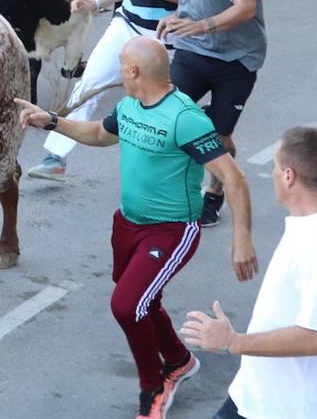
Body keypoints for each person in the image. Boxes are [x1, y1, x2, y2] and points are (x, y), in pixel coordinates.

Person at [15, 36, 258, 419]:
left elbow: (233, 177)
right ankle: (179, 359)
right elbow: (99, 134)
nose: (119, 70)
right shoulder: (130, 107)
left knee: (128, 305)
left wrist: (242, 239)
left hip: (172, 230)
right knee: (144, 300)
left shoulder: (184, 118)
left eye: (121, 63)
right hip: (128, 225)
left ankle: (155, 383)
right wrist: (52, 121)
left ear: (133, 71)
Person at [182, 126, 317, 419]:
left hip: (289, 408)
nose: (272, 174)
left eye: (276, 166)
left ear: (289, 176)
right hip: (255, 394)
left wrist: (233, 342)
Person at [28, 0, 185, 181]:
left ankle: (167, 169)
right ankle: (56, 158)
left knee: (160, 103)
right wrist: (95, 2)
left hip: (161, 38)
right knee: (88, 84)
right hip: (126, 25)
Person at [157, 0, 265, 228]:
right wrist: (176, 18)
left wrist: (203, 26)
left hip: (236, 59)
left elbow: (245, 8)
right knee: (168, 116)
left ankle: (215, 192)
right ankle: (173, 190)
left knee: (217, 138)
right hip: (193, 51)